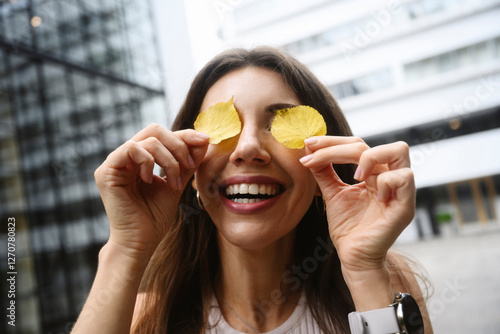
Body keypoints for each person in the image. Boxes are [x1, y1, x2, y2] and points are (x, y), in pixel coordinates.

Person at [71, 46, 433, 333]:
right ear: (189, 170)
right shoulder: (144, 317)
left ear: (328, 167)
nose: (246, 149)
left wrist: (364, 271)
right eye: (222, 125)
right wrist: (125, 247)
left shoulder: (385, 286)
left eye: (279, 123)